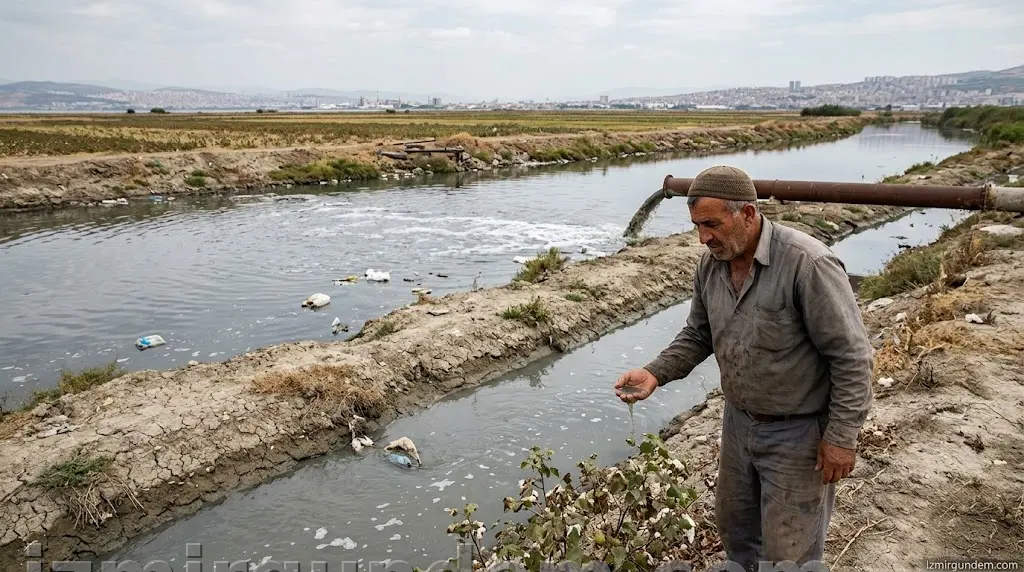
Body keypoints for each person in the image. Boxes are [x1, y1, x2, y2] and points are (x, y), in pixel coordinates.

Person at [614, 165, 873, 571]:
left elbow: (852, 357)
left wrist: (841, 437)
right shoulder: (711, 265)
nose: (703, 238)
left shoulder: (806, 264)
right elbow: (699, 334)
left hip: (798, 435)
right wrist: (655, 373)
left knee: (789, 552)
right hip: (738, 425)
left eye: (712, 225)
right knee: (737, 533)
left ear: (748, 214)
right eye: (697, 226)